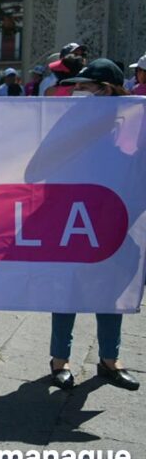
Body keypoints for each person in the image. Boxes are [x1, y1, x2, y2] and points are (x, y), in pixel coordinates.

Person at [48, 58, 138, 391]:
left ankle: (110, 360)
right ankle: (60, 360)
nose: (79, 92)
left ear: (108, 90)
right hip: (73, 219)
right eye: (78, 86)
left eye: (87, 87)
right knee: (67, 291)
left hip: (117, 219)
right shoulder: (68, 123)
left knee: (111, 291)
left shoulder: (134, 122)